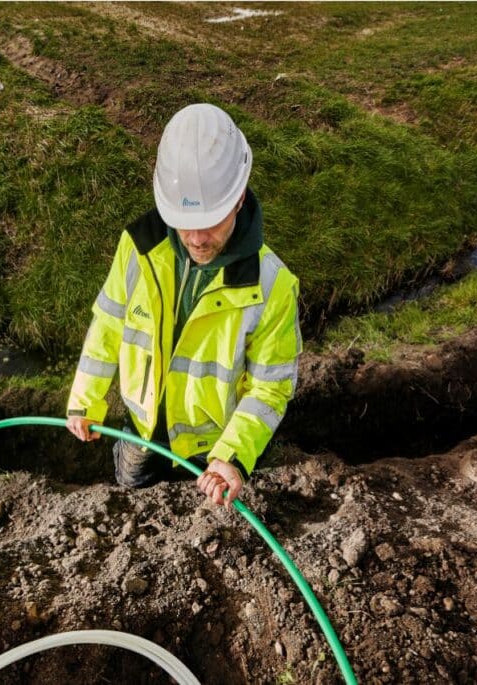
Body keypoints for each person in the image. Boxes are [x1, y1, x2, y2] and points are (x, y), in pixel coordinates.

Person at [65, 103, 301, 508]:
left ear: (238, 198)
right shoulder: (138, 249)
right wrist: (87, 398)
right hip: (139, 433)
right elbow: (108, 323)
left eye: (211, 220)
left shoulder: (272, 286)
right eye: (184, 221)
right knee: (131, 509)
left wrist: (233, 456)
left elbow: (271, 387)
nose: (196, 238)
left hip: (211, 452)